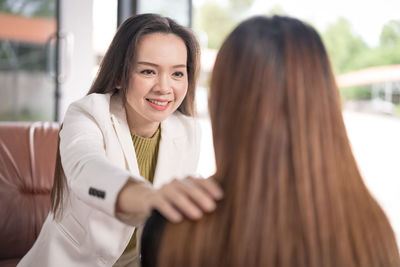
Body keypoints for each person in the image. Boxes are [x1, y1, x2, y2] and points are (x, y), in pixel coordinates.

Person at [140, 15, 400, 267]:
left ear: (222, 103)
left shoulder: (176, 228)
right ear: (327, 103)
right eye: (148, 71)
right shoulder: (373, 231)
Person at [18, 13, 222, 267]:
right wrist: (151, 198)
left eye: (177, 74)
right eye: (148, 71)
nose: (164, 87)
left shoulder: (188, 129)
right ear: (118, 76)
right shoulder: (87, 113)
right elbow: (87, 170)